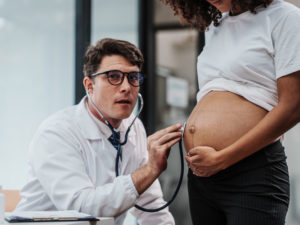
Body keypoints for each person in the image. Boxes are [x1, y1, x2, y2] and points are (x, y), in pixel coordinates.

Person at [160, 0, 300, 224]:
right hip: (204, 177)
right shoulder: (215, 26)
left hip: (252, 172)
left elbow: (293, 106)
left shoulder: (285, 17)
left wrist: (223, 158)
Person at [16, 38, 182, 225]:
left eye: (133, 77)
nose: (126, 87)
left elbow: (152, 206)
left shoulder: (134, 128)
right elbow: (82, 209)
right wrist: (150, 170)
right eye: (113, 76)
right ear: (89, 85)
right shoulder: (56, 133)